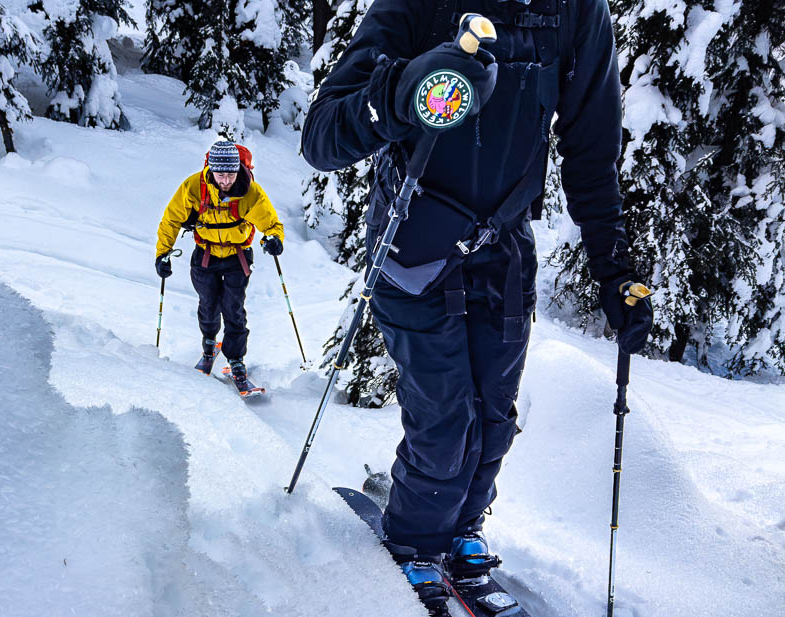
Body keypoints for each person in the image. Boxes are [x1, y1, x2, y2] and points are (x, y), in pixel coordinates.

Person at [301, 0, 654, 578]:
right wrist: (402, 93)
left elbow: (592, 153)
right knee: (444, 423)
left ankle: (462, 524)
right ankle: (415, 544)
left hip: (504, 248)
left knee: (493, 420)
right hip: (413, 242)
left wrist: (614, 270)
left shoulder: (576, 10)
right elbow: (321, 137)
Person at [155, 140, 285, 396]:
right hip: (205, 254)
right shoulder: (194, 187)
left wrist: (274, 239)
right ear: (211, 170)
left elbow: (271, 223)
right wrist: (162, 253)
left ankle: (236, 360)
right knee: (208, 304)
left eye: (231, 174)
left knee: (233, 308)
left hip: (237, 257)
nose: (226, 181)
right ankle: (208, 346)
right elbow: (171, 219)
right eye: (221, 174)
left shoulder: (249, 191)